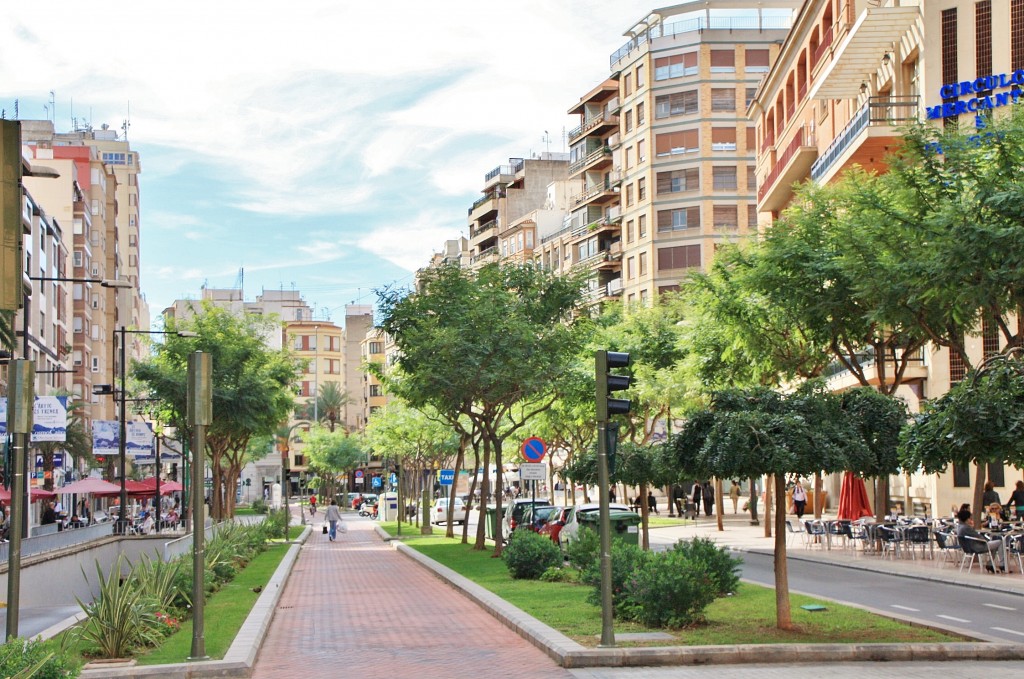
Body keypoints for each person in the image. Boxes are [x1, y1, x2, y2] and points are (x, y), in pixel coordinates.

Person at [956, 507, 1005, 572]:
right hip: (976, 547)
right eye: (970, 518)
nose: (970, 519)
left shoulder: (959, 527)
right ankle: (1002, 564)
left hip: (968, 547)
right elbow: (978, 537)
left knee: (994, 545)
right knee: (1000, 542)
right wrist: (986, 541)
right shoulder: (966, 528)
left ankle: (990, 564)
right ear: (967, 519)